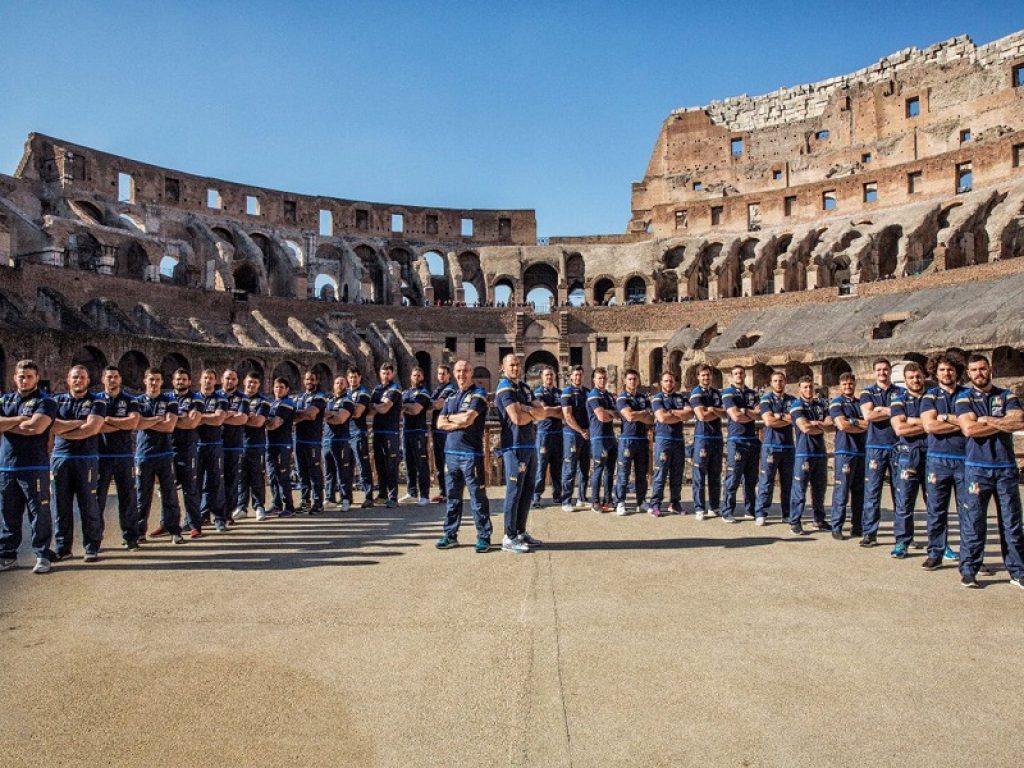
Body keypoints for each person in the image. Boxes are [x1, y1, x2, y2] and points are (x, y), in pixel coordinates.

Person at [954, 354, 1024, 589]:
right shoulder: (964, 397)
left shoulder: (1006, 395)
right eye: (974, 370)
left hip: (1005, 468)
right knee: (974, 521)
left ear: (990, 369)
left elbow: (1019, 422)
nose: (978, 373)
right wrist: (1000, 421)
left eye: (982, 368)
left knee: (1012, 522)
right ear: (969, 373)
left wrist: (987, 420)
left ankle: (1017, 570)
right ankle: (969, 569)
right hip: (977, 469)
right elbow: (970, 429)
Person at [0, 359, 57, 573]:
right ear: (14, 377)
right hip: (7, 466)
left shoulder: (46, 401)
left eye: (29, 376)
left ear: (36, 378)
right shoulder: (5, 399)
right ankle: (7, 556)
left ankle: (42, 554)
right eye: (21, 376)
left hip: (34, 466)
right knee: (8, 514)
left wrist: (7, 423)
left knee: (39, 512)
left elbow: (36, 427)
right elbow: (26, 424)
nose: (24, 380)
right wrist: (20, 420)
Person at [434, 359, 492, 553]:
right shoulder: (451, 396)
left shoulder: (479, 394)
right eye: (458, 371)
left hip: (471, 454)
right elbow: (439, 423)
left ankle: (483, 536)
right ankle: (450, 535)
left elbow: (468, 419)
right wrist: (455, 420)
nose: (461, 374)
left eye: (465, 371)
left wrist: (452, 419)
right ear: (453, 373)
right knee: (452, 497)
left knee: (477, 497)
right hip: (451, 453)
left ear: (471, 372)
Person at [51, 364, 107, 561]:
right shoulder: (56, 401)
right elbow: (51, 426)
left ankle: (91, 546)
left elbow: (92, 428)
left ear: (88, 380)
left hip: (86, 460)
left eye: (82, 377)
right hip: (61, 459)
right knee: (61, 506)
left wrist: (64, 429)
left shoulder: (96, 401)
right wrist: (77, 424)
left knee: (89, 504)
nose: (78, 381)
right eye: (75, 377)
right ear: (68, 379)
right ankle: (63, 548)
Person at [918, 353, 966, 570]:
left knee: (969, 512)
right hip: (938, 459)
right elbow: (930, 426)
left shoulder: (968, 395)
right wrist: (960, 422)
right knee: (937, 510)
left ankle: (971, 556)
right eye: (942, 370)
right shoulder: (929, 397)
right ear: (935, 373)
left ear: (957, 371)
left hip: (965, 459)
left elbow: (973, 425)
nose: (947, 373)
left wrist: (944, 417)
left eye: (950, 369)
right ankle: (935, 552)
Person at [494, 354, 542, 552]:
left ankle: (520, 532)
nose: (515, 368)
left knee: (527, 491)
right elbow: (516, 419)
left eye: (517, 364)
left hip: (529, 445)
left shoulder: (524, 387)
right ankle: (509, 535)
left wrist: (526, 409)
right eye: (511, 365)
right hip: (513, 446)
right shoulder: (504, 387)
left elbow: (543, 412)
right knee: (514, 492)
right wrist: (530, 412)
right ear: (503, 367)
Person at [135, 368, 184, 544]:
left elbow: (169, 426)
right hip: (144, 454)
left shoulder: (170, 401)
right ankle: (139, 532)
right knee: (142, 495)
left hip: (164, 453)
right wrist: (157, 419)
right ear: (145, 381)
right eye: (151, 379)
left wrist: (146, 422)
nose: (154, 383)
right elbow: (135, 423)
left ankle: (174, 531)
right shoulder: (137, 402)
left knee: (169, 494)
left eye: (157, 379)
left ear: (162, 382)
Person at [96, 365, 142, 549]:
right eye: (109, 377)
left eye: (115, 376)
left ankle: (131, 538)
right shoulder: (96, 400)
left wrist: (107, 420)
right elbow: (95, 426)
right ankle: (95, 539)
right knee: (97, 500)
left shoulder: (130, 400)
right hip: (101, 455)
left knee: (128, 498)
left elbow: (133, 422)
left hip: (124, 455)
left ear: (120, 379)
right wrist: (120, 424)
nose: (112, 380)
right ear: (103, 380)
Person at [859, 359, 902, 548]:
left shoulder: (900, 392)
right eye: (879, 370)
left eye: (885, 369)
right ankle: (870, 532)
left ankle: (902, 535)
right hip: (875, 446)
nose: (882, 373)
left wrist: (883, 409)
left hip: (897, 446)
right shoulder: (867, 392)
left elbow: (906, 414)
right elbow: (868, 416)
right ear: (874, 372)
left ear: (890, 371)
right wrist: (893, 411)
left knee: (900, 492)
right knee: (872, 491)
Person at [890, 361, 929, 559]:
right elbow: (899, 429)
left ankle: (939, 543)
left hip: (932, 454)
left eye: (918, 376)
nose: (915, 380)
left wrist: (912, 421)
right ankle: (902, 541)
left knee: (935, 503)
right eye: (911, 377)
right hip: (908, 454)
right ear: (905, 381)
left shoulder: (934, 397)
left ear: (924, 376)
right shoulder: (899, 400)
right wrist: (929, 424)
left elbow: (942, 422)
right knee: (905, 501)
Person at [789, 375, 831, 535]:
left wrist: (816, 424)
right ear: (799, 389)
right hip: (804, 452)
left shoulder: (821, 405)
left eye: (811, 387)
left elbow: (831, 425)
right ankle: (795, 521)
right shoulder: (796, 406)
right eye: (805, 387)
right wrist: (820, 425)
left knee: (820, 489)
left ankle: (819, 520)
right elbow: (805, 428)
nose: (808, 390)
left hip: (820, 452)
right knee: (799, 489)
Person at [829, 372, 866, 540]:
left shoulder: (861, 403)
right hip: (845, 451)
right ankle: (837, 526)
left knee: (859, 492)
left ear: (854, 384)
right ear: (840, 386)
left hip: (861, 451)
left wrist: (853, 422)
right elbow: (842, 425)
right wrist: (857, 423)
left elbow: (870, 423)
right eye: (844, 384)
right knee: (842, 491)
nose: (848, 387)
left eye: (850, 384)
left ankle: (857, 526)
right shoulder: (836, 403)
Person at [755, 371, 795, 526]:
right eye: (775, 381)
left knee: (788, 482)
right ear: (771, 383)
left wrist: (779, 416)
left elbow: (797, 418)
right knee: (766, 481)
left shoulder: (792, 400)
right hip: (771, 446)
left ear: (785, 382)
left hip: (788, 446)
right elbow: (769, 421)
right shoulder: (766, 399)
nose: (778, 383)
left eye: (781, 380)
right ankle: (761, 512)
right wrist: (786, 418)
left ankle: (787, 513)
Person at [721, 364, 760, 523]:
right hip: (736, 439)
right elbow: (735, 416)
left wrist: (744, 411)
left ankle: (750, 510)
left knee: (751, 478)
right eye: (736, 373)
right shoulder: (727, 393)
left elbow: (759, 414)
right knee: (733, 477)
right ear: (731, 376)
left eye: (741, 373)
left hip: (751, 439)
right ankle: (727, 511)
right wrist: (748, 413)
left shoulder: (752, 393)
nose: (739, 375)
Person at [649, 371, 690, 517]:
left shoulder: (681, 398)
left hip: (678, 440)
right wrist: (679, 415)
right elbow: (662, 418)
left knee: (677, 474)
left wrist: (672, 412)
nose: (669, 383)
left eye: (671, 381)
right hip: (663, 439)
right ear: (661, 383)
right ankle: (655, 504)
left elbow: (688, 414)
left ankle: (675, 503)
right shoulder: (657, 398)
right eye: (666, 381)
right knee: (660, 473)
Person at [613, 368, 654, 516]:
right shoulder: (622, 397)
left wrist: (639, 415)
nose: (632, 381)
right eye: (629, 379)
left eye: (635, 379)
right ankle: (620, 502)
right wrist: (643, 413)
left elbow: (651, 419)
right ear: (625, 381)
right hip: (627, 439)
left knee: (641, 473)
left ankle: (641, 501)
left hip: (642, 439)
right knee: (623, 473)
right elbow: (629, 417)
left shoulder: (644, 398)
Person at [170, 369, 203, 537]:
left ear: (189, 382)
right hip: (168, 448)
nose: (180, 381)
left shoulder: (196, 399)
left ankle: (194, 524)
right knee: (167, 490)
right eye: (178, 379)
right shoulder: (168, 398)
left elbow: (192, 423)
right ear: (172, 381)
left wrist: (171, 420)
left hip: (187, 448)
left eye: (184, 379)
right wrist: (180, 418)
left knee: (190, 489)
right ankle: (167, 523)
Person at [195, 369, 230, 532]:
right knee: (195, 483)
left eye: (210, 378)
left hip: (214, 444)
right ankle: (198, 517)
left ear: (215, 381)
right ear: (199, 380)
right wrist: (206, 418)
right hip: (195, 445)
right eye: (205, 378)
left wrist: (199, 418)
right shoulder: (194, 398)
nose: (207, 381)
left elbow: (218, 419)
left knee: (216, 482)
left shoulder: (220, 398)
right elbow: (189, 420)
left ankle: (219, 518)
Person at [690, 365, 725, 520]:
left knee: (715, 473)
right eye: (703, 375)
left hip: (717, 437)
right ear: (698, 377)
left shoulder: (717, 393)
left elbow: (726, 413)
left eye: (708, 375)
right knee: (699, 474)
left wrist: (713, 410)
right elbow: (701, 416)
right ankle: (699, 507)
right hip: (702, 437)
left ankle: (714, 506)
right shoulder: (696, 393)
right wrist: (715, 412)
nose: (706, 378)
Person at [238, 371, 271, 521]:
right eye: (250, 382)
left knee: (257, 476)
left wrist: (240, 418)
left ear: (259, 385)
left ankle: (259, 507)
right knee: (240, 477)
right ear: (244, 382)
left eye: (255, 383)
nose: (252, 385)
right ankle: (241, 507)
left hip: (256, 444)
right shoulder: (237, 399)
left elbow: (258, 422)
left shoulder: (263, 401)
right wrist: (247, 418)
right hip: (238, 444)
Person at [293, 370, 327, 515]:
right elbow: (294, 416)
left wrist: (298, 416)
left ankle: (318, 502)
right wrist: (302, 415)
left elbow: (311, 414)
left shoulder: (320, 397)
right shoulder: (299, 397)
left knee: (314, 472)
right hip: (299, 439)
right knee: (302, 472)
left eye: (312, 379)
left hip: (312, 440)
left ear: (317, 381)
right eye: (307, 379)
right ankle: (305, 501)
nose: (309, 382)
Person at [370, 363, 403, 508]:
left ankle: (393, 497)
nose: (386, 376)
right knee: (379, 464)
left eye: (388, 373)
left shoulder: (394, 389)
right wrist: (376, 406)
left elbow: (384, 408)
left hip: (390, 431)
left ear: (393, 374)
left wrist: (375, 406)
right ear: (379, 374)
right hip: (377, 431)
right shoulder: (377, 389)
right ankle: (382, 494)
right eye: (383, 373)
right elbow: (371, 409)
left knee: (391, 465)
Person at [219, 369, 250, 522]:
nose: (230, 381)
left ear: (237, 381)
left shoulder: (242, 398)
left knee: (231, 482)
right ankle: (205, 514)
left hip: (233, 445)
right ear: (222, 379)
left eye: (233, 379)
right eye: (227, 378)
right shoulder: (215, 396)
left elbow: (242, 419)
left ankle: (227, 514)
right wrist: (229, 415)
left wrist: (219, 418)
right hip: (215, 444)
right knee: (211, 481)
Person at [532, 366, 564, 508]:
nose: (549, 378)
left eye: (551, 375)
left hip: (558, 434)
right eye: (547, 375)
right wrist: (556, 410)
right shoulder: (538, 392)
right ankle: (536, 496)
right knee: (541, 466)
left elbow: (564, 412)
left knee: (557, 467)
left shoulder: (560, 393)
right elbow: (543, 411)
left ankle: (557, 495)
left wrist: (552, 411)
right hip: (544, 434)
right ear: (542, 377)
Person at [559, 365, 591, 512]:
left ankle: (581, 498)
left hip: (586, 434)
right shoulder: (567, 392)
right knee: (570, 468)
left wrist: (588, 431)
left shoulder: (588, 393)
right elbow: (567, 416)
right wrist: (581, 431)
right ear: (571, 377)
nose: (578, 377)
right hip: (572, 434)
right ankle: (566, 500)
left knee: (584, 468)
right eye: (575, 375)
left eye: (580, 375)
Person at [399, 367, 432, 506]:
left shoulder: (424, 392)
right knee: (409, 462)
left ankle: (424, 495)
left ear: (422, 377)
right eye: (414, 375)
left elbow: (415, 410)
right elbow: (398, 409)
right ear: (410, 377)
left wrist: (405, 406)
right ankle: (411, 492)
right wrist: (406, 406)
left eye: (419, 375)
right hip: (406, 431)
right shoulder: (405, 393)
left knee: (421, 463)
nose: (416, 377)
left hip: (419, 431)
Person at [265, 377, 297, 517]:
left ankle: (289, 507)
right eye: (276, 387)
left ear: (287, 389)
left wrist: (260, 421)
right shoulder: (274, 403)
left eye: (281, 387)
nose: (278, 390)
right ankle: (276, 504)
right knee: (272, 476)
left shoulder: (287, 403)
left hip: (282, 444)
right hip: (271, 443)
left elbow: (274, 424)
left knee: (283, 476)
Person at [586, 367, 617, 512]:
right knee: (598, 469)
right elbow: (601, 417)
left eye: (604, 378)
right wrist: (608, 413)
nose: (602, 380)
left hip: (610, 435)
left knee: (610, 469)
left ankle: (608, 499)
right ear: (594, 380)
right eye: (599, 378)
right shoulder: (593, 395)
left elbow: (617, 414)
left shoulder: (609, 396)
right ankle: (595, 501)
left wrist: (609, 412)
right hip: (599, 437)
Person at [324, 375, 355, 512]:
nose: (339, 385)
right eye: (337, 382)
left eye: (342, 383)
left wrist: (328, 416)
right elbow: (324, 416)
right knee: (329, 471)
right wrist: (331, 415)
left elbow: (340, 419)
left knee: (343, 471)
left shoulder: (347, 401)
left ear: (346, 385)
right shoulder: (329, 400)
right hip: (327, 440)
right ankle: (330, 498)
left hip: (341, 440)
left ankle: (345, 498)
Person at [429, 364, 457, 504]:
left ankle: (450, 492)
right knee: (439, 463)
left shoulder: (449, 389)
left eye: (443, 374)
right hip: (436, 429)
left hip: (445, 431)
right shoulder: (438, 389)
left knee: (446, 463)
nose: (441, 376)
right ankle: (443, 492)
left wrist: (423, 402)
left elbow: (437, 405)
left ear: (449, 375)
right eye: (439, 374)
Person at [347, 367, 374, 507]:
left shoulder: (363, 393)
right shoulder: (346, 393)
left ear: (360, 377)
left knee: (363, 465)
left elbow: (357, 413)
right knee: (347, 467)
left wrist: (341, 413)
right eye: (351, 377)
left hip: (358, 433)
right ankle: (347, 497)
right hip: (346, 434)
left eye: (355, 377)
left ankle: (368, 496)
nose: (353, 380)